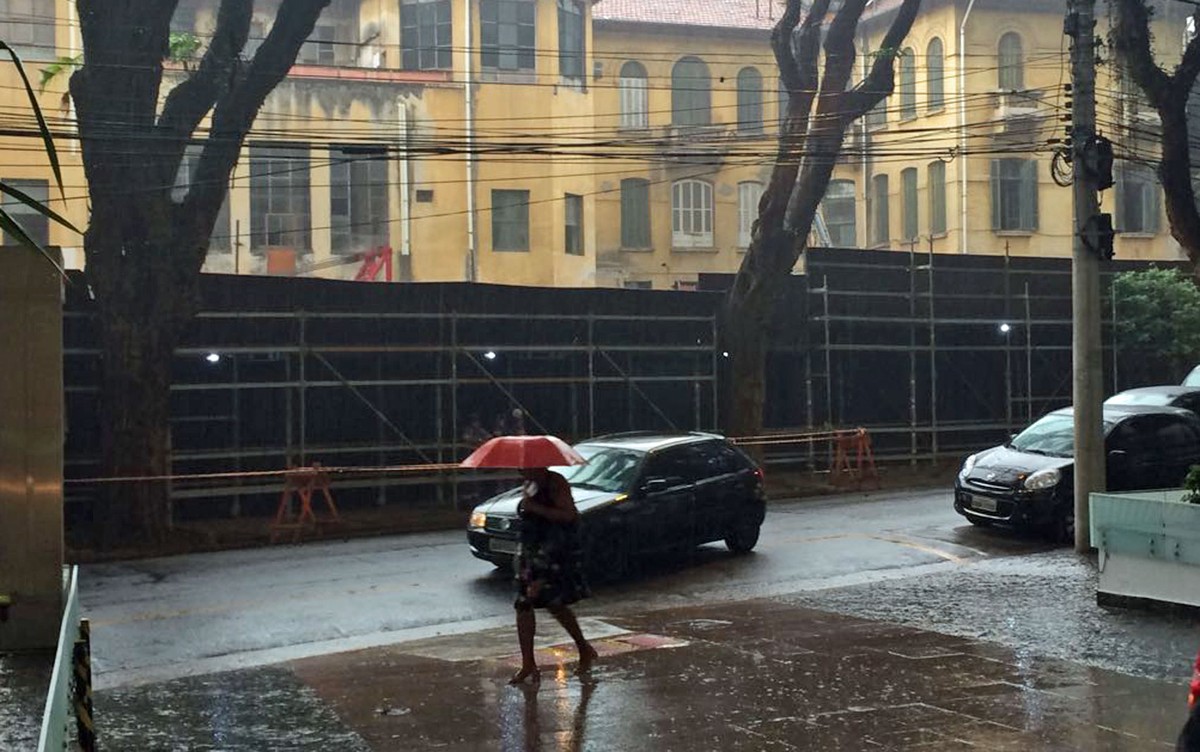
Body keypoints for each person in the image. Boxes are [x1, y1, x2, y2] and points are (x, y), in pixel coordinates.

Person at [509, 466, 597, 684]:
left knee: (552, 602)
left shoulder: (556, 483)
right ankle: (528, 662)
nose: (521, 472)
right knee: (524, 603)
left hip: (551, 552)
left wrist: (535, 508)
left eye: (524, 468)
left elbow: (568, 515)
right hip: (530, 551)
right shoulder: (529, 484)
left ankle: (583, 647)